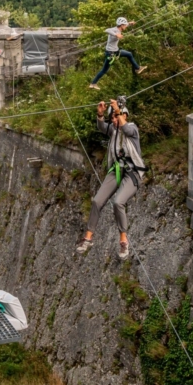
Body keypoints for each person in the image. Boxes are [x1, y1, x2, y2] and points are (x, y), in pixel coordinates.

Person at [76, 97, 146, 260]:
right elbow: (101, 126)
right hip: (116, 170)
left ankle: (123, 240)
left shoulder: (132, 129)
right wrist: (100, 115)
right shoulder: (113, 130)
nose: (113, 121)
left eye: (116, 117)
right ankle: (88, 237)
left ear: (123, 115)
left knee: (118, 202)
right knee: (97, 201)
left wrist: (117, 110)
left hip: (132, 172)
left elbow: (126, 130)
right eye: (112, 118)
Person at [89, 17, 146, 90]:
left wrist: (130, 23)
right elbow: (107, 30)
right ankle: (93, 83)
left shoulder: (120, 27)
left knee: (129, 54)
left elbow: (125, 25)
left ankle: (137, 68)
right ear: (121, 25)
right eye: (124, 25)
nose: (126, 26)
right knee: (104, 70)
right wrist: (116, 35)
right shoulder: (114, 30)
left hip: (116, 51)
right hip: (111, 54)